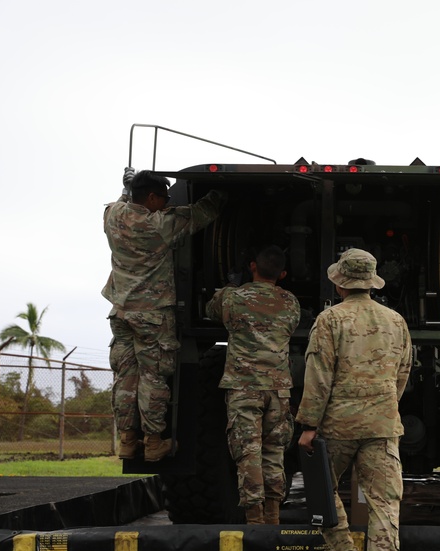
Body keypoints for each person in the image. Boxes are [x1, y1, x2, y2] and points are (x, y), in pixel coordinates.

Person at [297, 248, 412, 551]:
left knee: (321, 491)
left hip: (338, 424)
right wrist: (384, 406)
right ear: (372, 282)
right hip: (382, 424)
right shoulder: (396, 321)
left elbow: (318, 375)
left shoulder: (329, 320)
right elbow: (403, 373)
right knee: (384, 505)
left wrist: (308, 425)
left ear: (339, 281)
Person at [104, 168, 227, 462]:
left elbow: (122, 199)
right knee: (153, 378)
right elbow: (202, 213)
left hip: (121, 313)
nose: (167, 202)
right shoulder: (158, 226)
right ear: (150, 197)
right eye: (164, 197)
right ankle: (154, 441)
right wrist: (222, 192)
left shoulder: (112, 214)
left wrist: (127, 185)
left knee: (126, 378)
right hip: (152, 316)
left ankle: (127, 441)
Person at [205, 246, 301, 525]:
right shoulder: (290, 302)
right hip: (278, 390)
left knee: (248, 451)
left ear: (252, 266)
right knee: (274, 452)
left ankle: (255, 519)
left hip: (244, 388)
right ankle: (273, 516)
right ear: (282, 274)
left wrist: (230, 286)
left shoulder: (233, 298)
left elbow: (211, 310)